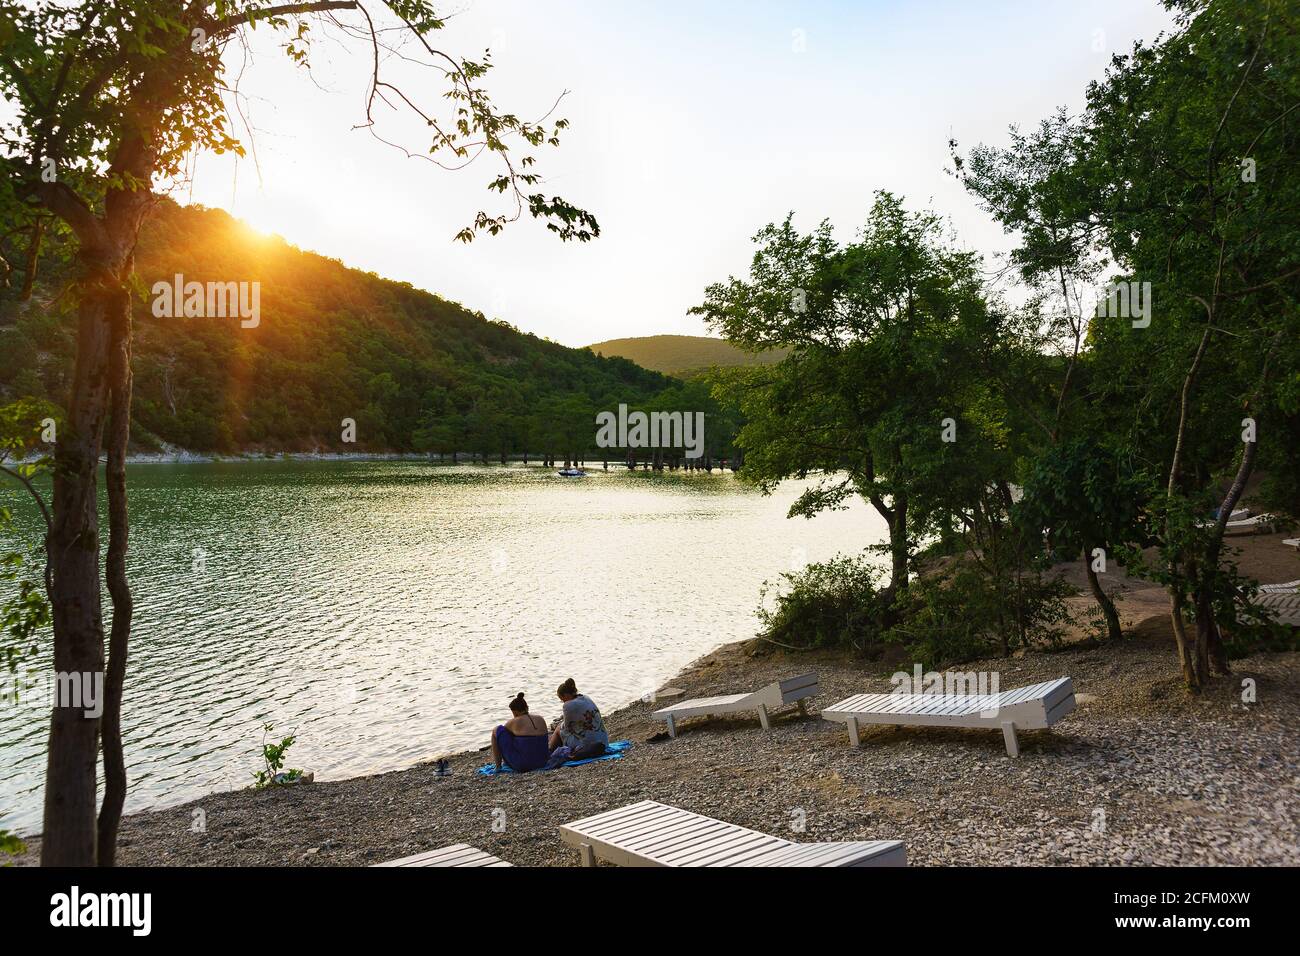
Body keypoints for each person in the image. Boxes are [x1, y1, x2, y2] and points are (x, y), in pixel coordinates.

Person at [548, 678, 609, 760]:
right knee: (561, 728)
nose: (562, 701)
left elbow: (567, 727)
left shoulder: (568, 705)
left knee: (559, 728)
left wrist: (557, 726)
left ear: (565, 695)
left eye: (562, 699)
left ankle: (549, 752)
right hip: (603, 740)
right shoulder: (585, 697)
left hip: (589, 743)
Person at [491, 693, 550, 773]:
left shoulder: (515, 721)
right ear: (526, 707)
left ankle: (498, 766)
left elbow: (502, 734)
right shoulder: (541, 719)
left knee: (496, 730)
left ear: (515, 712)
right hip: (543, 762)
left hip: (523, 765)